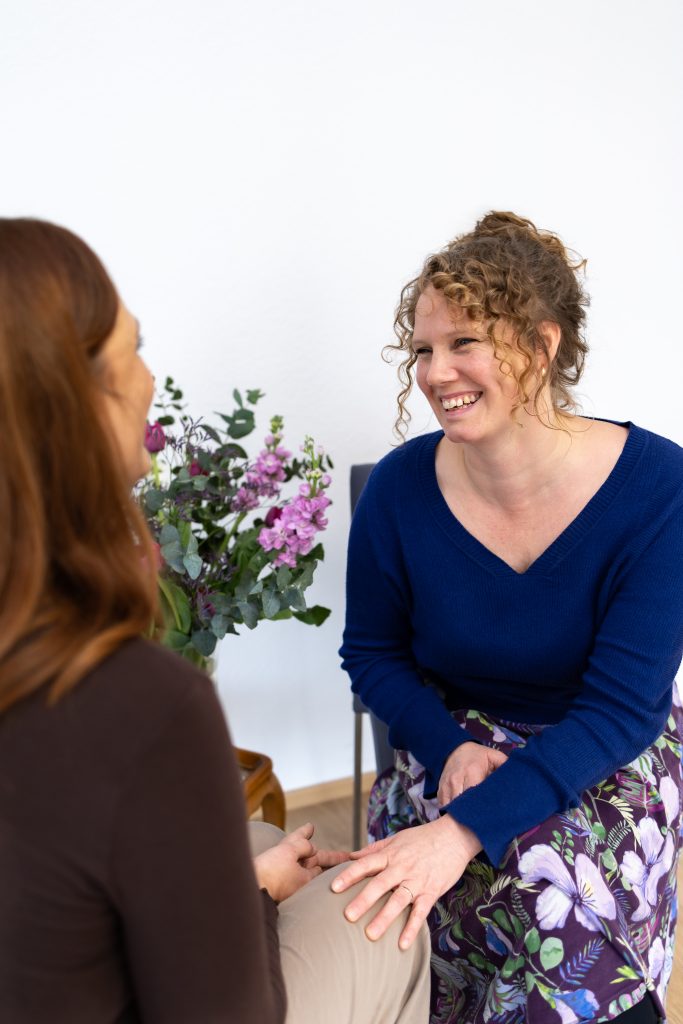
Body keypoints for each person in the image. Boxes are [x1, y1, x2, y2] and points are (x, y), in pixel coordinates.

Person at [0, 218, 431, 1024]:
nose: (150, 377)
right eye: (133, 348)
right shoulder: (137, 702)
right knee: (384, 911)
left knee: (263, 843)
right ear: (75, 402)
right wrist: (254, 899)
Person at [338, 212, 683, 1024]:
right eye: (422, 350)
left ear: (540, 344)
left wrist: (460, 832)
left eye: (463, 343)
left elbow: (619, 709)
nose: (435, 373)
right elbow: (372, 653)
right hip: (452, 739)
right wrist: (448, 749)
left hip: (605, 747)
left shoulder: (657, 486)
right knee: (450, 910)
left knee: (551, 894)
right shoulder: (398, 490)